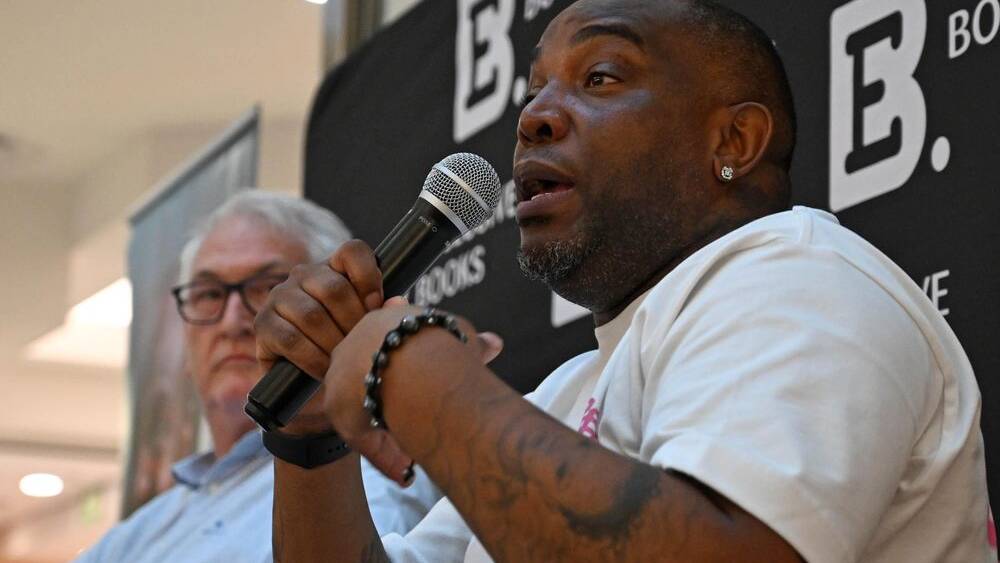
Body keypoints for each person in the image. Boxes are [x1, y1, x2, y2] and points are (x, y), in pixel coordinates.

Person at [253, 1, 993, 561]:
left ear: (734, 140)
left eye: (600, 77)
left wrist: (410, 367)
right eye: (532, 91)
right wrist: (311, 439)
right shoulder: (568, 390)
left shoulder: (803, 277)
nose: (535, 118)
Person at [76, 191, 440, 562]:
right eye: (209, 294)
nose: (231, 321)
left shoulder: (366, 480)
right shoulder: (134, 535)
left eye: (268, 289)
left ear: (340, 308)